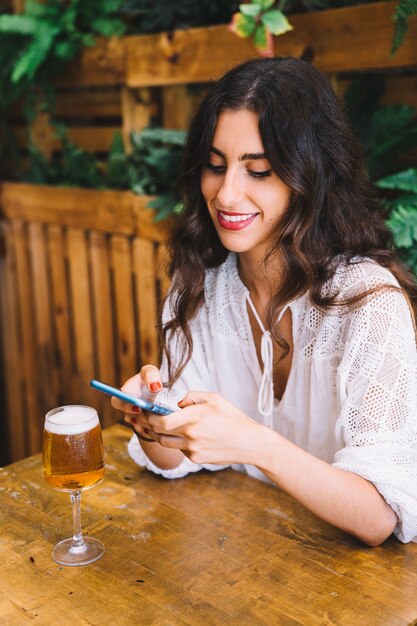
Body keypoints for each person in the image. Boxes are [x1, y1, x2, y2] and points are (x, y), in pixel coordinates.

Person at [112, 57, 417, 547]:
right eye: (215, 166)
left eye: (259, 171)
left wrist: (256, 445)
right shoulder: (199, 287)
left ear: (310, 178)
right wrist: (153, 422)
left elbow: (380, 515)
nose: (227, 193)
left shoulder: (369, 304)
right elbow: (177, 458)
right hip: (238, 557)